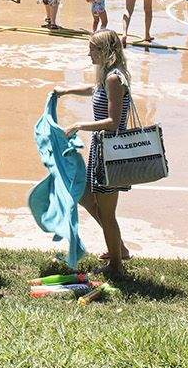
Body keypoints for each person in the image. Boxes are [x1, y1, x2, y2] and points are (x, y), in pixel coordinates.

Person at [53, 30, 133, 277]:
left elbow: (112, 121)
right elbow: (93, 89)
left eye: (92, 49)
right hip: (101, 151)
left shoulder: (114, 79)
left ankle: (117, 265)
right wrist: (66, 91)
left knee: (107, 214)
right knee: (86, 196)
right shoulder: (107, 77)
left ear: (105, 52)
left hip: (110, 154)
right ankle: (118, 248)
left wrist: (79, 125)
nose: (88, 53)